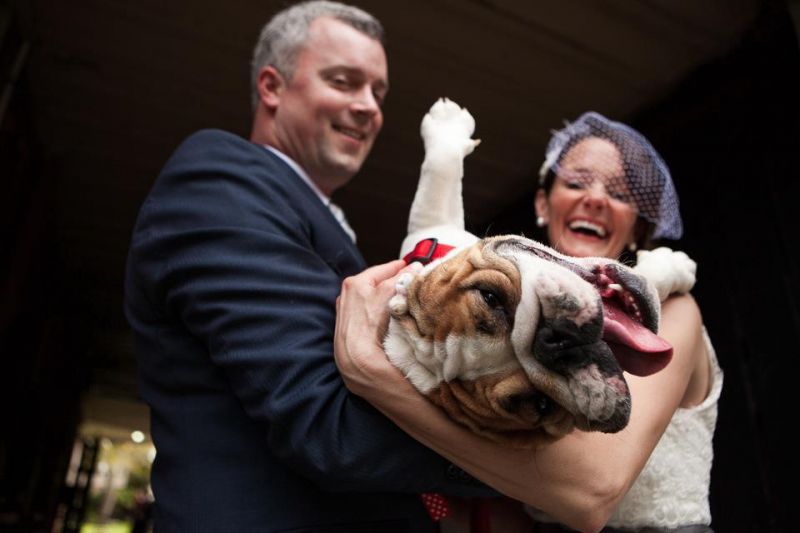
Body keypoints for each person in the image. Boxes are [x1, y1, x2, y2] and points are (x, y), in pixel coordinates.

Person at [124, 2, 493, 531]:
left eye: (378, 93)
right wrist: (530, 452)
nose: (369, 107)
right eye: (345, 82)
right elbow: (326, 424)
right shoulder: (218, 178)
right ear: (272, 87)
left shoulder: (321, 227)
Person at [334, 112, 722, 532]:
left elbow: (595, 489)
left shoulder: (676, 310)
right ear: (543, 204)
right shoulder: (498, 326)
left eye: (619, 193)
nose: (594, 198)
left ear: (637, 227)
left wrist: (372, 372)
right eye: (576, 182)